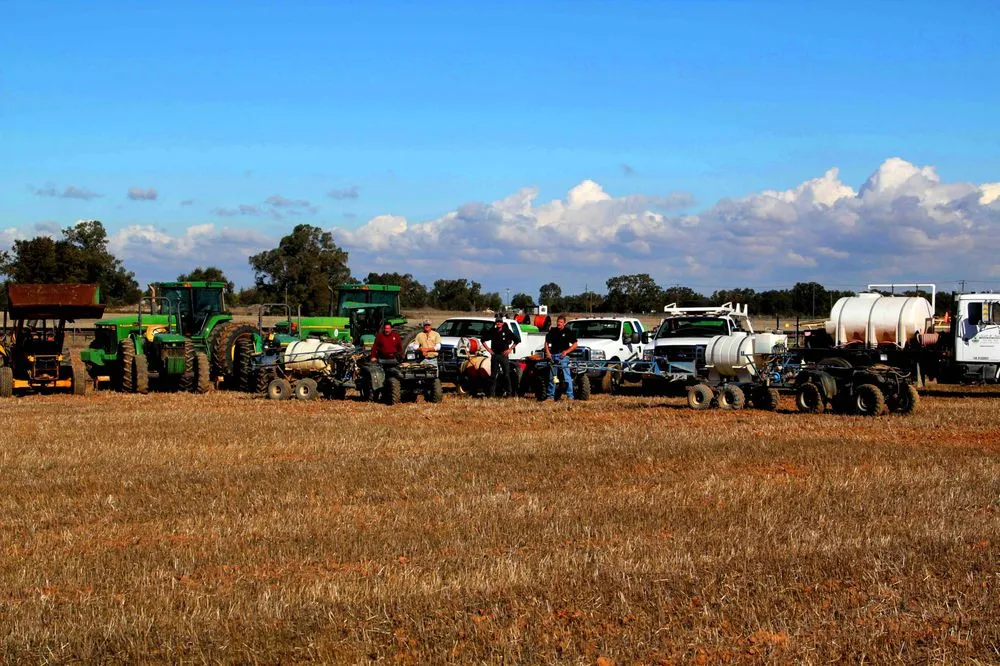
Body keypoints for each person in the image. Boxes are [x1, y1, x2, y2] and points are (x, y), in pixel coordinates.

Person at [483, 314, 518, 397]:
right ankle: (491, 394)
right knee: (493, 375)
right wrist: (489, 350)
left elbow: (517, 340)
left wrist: (509, 350)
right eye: (497, 322)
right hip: (495, 355)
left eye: (500, 322)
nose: (498, 323)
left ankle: (509, 393)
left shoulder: (507, 331)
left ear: (502, 323)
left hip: (504, 356)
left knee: (506, 375)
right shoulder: (493, 331)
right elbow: (483, 340)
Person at [544, 315, 578, 400]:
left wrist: (566, 351)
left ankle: (570, 396)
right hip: (553, 356)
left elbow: (575, 344)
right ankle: (550, 396)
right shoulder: (553, 331)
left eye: (561, 322)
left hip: (563, 357)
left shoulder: (568, 332)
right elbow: (546, 343)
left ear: (564, 323)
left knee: (567, 377)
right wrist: (548, 353)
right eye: (558, 322)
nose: (559, 324)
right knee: (553, 378)